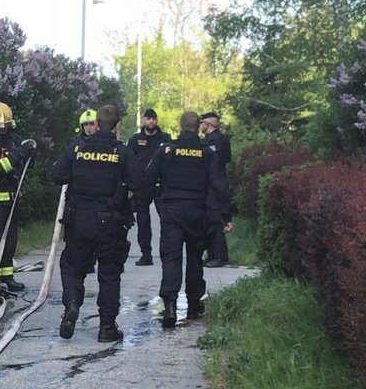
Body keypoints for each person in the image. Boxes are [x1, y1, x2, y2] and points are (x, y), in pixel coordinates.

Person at [52, 106, 142, 342]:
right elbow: (137, 183)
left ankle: (72, 302)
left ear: (96, 123)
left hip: (78, 220)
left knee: (72, 267)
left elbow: (57, 175)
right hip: (109, 222)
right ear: (116, 126)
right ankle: (106, 327)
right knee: (109, 274)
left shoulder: (78, 148)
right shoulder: (121, 153)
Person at [144, 111, 232, 328]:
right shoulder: (206, 151)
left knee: (172, 259)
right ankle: (193, 304)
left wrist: (156, 202)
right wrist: (225, 215)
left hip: (172, 212)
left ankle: (171, 306)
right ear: (196, 127)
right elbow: (219, 184)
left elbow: (148, 177)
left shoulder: (167, 150)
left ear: (181, 127)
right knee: (194, 258)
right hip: (198, 212)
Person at [0, 101, 35, 294]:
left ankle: (7, 277)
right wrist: (19, 154)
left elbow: (24, 166)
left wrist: (30, 154)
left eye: (6, 124)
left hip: (11, 201)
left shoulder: (14, 140)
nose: (3, 128)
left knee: (10, 242)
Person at [127, 108, 167, 266]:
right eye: (148, 119)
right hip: (142, 185)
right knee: (143, 221)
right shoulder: (136, 140)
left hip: (161, 185)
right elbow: (129, 161)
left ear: (156, 121)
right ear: (144, 121)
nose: (151, 122)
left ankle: (167, 253)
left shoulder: (165, 139)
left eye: (153, 119)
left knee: (166, 220)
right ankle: (146, 254)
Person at [199, 112, 233, 267]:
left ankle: (220, 256)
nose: (200, 126)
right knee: (208, 221)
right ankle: (212, 254)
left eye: (202, 123)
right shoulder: (215, 140)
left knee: (215, 221)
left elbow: (216, 166)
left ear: (208, 124)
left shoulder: (215, 141)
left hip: (215, 183)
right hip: (211, 183)